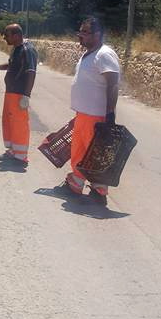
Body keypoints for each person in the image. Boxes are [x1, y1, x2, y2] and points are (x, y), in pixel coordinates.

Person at [55, 17, 120, 205]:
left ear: (97, 35)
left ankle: (99, 192)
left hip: (96, 116)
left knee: (94, 155)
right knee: (80, 152)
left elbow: (113, 84)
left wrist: (110, 114)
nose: (80, 35)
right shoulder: (90, 53)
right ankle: (76, 185)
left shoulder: (104, 54)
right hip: (84, 114)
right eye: (80, 31)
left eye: (84, 32)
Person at [0, 24, 37, 165]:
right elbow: (10, 66)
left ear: (16, 35)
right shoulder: (16, 49)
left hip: (18, 94)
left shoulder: (27, 50)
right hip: (11, 92)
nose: (4, 38)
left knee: (19, 124)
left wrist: (26, 95)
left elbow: (31, 72)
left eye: (7, 35)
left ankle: (21, 156)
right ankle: (13, 151)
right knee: (9, 122)